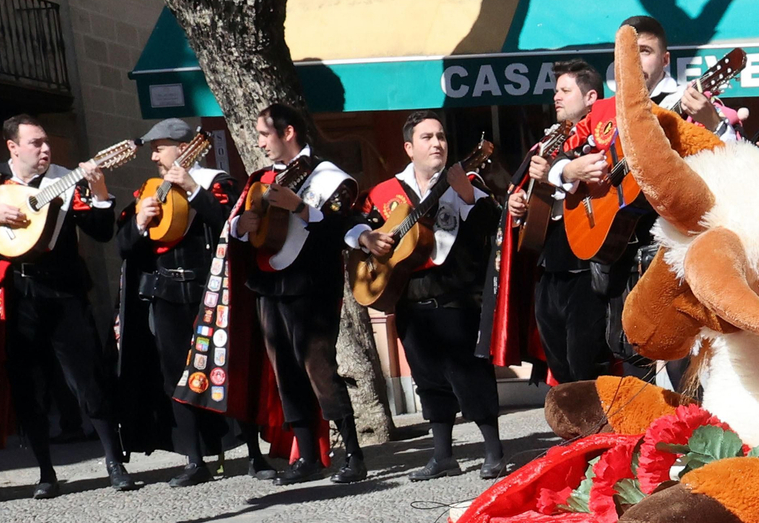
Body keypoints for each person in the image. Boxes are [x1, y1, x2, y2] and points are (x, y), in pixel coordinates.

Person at [0, 114, 135, 498]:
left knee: (88, 378)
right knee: (28, 385)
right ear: (13, 147)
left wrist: (99, 188)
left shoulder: (65, 181)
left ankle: (115, 462)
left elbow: (100, 231)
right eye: (36, 143)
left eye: (46, 142)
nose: (45, 149)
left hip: (64, 292)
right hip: (17, 296)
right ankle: (46, 472)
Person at [547, 15, 731, 384]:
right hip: (620, 255)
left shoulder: (690, 103)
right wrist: (571, 170)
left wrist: (714, 124)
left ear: (665, 60)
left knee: (685, 365)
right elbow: (555, 160)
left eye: (644, 51)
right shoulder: (600, 112)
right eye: (627, 53)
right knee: (630, 358)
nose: (633, 61)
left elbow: (729, 157)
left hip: (675, 249)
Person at [351, 111, 506, 480]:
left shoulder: (465, 180)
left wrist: (467, 194)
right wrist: (364, 237)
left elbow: (493, 226)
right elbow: (357, 222)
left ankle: (494, 451)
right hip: (408, 300)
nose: (437, 143)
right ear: (409, 147)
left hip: (457, 297)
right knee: (427, 379)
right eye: (427, 137)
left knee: (470, 375)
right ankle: (442, 455)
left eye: (441, 136)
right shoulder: (386, 191)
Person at [223, 103, 369, 485]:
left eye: (263, 134)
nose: (259, 143)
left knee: (320, 368)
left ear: (288, 132)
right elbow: (239, 228)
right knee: (285, 371)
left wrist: (302, 208)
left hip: (311, 285)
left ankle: (353, 454)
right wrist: (244, 224)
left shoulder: (328, 176)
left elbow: (339, 226)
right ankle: (307, 456)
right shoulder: (263, 177)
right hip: (268, 283)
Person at [116, 117, 261, 486]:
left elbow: (230, 222)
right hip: (166, 295)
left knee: (230, 365)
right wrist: (138, 224)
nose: (153, 157)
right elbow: (124, 248)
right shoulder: (147, 191)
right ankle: (195, 460)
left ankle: (256, 455)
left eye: (158, 147)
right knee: (175, 375)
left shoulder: (218, 183)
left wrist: (194, 190)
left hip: (211, 291)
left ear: (182, 148)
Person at [505, 59, 612, 384]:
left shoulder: (602, 132)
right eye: (555, 91)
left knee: (587, 366)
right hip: (548, 268)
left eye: (565, 91)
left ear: (591, 97)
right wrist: (516, 203)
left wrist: (563, 171)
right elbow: (522, 192)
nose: (557, 97)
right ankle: (574, 434)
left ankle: (599, 434)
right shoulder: (548, 140)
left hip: (585, 266)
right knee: (560, 367)